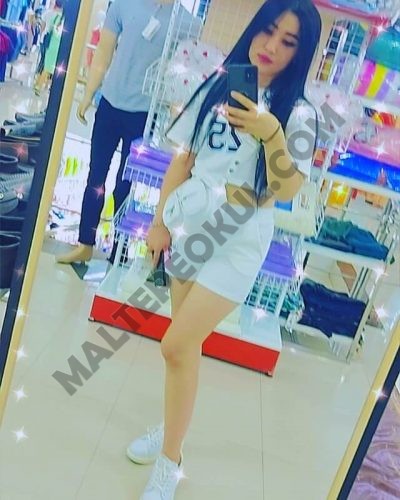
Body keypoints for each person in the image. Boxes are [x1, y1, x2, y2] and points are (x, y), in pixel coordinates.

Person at [125, 0, 322, 499]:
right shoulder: (216, 86)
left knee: (174, 344)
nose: (271, 46)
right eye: (268, 31)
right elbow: (183, 160)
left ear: (300, 53)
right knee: (182, 351)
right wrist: (158, 223)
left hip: (236, 243)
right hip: (190, 229)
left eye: (288, 41)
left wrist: (271, 133)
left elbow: (286, 188)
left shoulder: (299, 115)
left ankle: (170, 462)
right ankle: (171, 434)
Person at [56, 0, 200, 265]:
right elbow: (104, 51)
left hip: (144, 115)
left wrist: (175, 121)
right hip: (109, 104)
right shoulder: (124, 4)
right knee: (95, 177)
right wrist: (89, 92)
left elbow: (179, 78)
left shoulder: (188, 24)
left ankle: (118, 251)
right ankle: (85, 243)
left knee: (126, 186)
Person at [34, 0, 64, 94]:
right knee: (50, 67)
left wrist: (40, 37)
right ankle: (43, 85)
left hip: (47, 42)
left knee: (44, 64)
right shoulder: (62, 18)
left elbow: (43, 28)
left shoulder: (49, 14)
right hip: (56, 46)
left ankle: (38, 82)